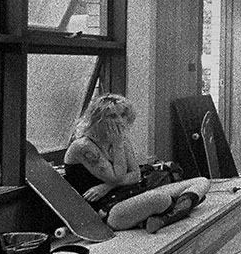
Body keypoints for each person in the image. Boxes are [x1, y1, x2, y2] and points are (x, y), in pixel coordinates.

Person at [63, 93, 211, 233]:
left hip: (131, 195)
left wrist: (106, 186)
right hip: (107, 211)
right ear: (97, 119)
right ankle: (184, 205)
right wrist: (118, 145)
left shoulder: (120, 139)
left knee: (201, 181)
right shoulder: (84, 146)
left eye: (122, 115)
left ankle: (166, 218)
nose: (120, 120)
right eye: (112, 116)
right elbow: (117, 176)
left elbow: (136, 175)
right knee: (160, 198)